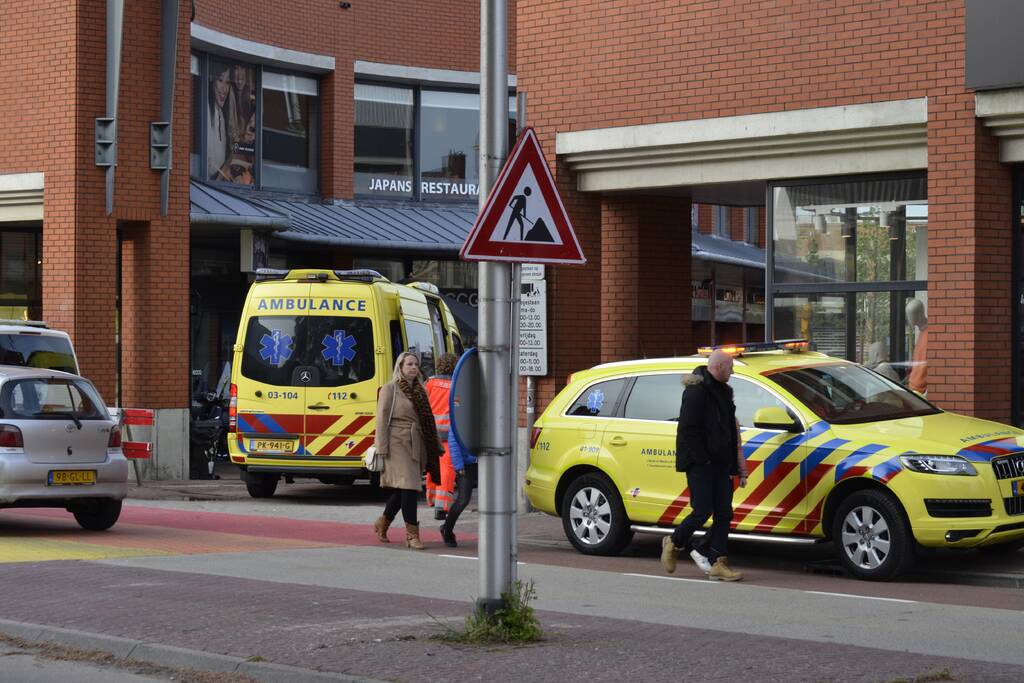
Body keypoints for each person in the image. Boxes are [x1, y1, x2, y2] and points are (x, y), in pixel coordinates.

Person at [661, 349, 748, 581]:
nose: (732, 371)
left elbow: (729, 430)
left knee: (724, 513)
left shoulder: (724, 392)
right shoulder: (696, 393)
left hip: (721, 463)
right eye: (730, 367)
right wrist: (703, 459)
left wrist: (733, 466)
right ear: (718, 367)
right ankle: (674, 542)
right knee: (702, 510)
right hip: (701, 463)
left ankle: (717, 561)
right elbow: (688, 430)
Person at [371, 352, 443, 550]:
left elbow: (428, 421)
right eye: (409, 364)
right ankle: (412, 536)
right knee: (410, 486)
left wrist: (435, 444)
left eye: (416, 365)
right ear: (400, 367)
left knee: (404, 488)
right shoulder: (390, 389)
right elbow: (381, 419)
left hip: (415, 442)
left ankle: (383, 522)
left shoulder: (421, 390)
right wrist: (381, 447)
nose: (413, 367)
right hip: (396, 442)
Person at [424, 353, 458, 520]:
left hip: (431, 435)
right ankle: (442, 506)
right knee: (447, 469)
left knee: (432, 468)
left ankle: (431, 499)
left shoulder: (430, 383)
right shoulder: (457, 385)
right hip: (450, 436)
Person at [206, 65, 232, 181]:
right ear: (212, 79)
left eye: (227, 82)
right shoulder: (206, 111)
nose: (224, 88)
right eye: (220, 80)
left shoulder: (222, 114)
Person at [905, 297, 928, 395]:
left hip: (921, 392)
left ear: (919, 314)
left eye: (910, 314)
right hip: (913, 389)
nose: (908, 318)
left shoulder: (929, 335)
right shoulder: (921, 333)